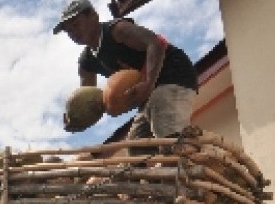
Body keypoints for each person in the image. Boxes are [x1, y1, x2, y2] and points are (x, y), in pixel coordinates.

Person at [54, 0, 198, 152]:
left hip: (172, 76)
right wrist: (77, 121)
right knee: (136, 150)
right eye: (68, 31)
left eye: (75, 24)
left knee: (168, 135)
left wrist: (149, 83)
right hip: (148, 93)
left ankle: (191, 157)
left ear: (93, 16)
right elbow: (90, 101)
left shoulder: (117, 30)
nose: (73, 33)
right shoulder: (87, 62)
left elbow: (155, 43)